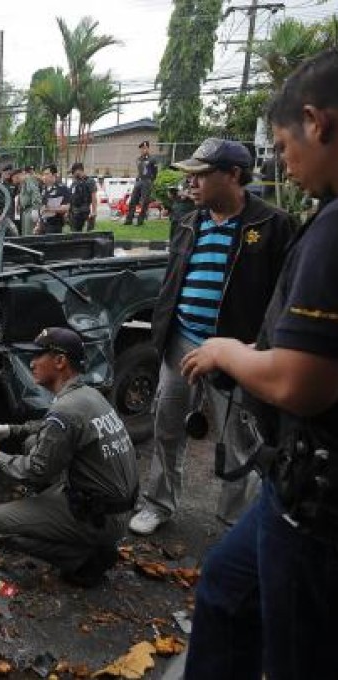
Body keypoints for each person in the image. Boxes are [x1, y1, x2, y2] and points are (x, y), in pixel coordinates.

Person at [178, 49, 338, 680]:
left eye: (283, 145)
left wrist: (228, 351)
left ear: (316, 122)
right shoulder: (196, 224)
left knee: (296, 652)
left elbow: (301, 383)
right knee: (225, 590)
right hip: (296, 484)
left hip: (315, 497)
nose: (284, 162)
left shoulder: (318, 229)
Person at [128, 137, 296, 536]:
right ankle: (158, 503)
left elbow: (285, 296)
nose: (192, 182)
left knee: (238, 440)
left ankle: (235, 524)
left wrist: (259, 349)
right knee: (167, 426)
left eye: (201, 175)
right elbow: (172, 282)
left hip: (237, 351)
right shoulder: (188, 222)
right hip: (181, 342)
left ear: (233, 175)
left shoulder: (272, 225)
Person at [0, 327, 138, 587]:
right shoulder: (88, 394)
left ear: (60, 361)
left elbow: (36, 470)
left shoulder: (66, 409)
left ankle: (85, 558)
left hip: (100, 516)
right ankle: (72, 528)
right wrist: (10, 430)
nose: (31, 363)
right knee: (32, 442)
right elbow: (52, 429)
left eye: (38, 356)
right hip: (114, 505)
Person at [123, 141, 158, 226]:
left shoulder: (152, 159)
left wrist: (151, 181)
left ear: (148, 148)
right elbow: (140, 170)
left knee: (144, 201)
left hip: (147, 181)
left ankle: (140, 220)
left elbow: (155, 172)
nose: (143, 150)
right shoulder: (138, 159)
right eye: (141, 148)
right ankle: (129, 220)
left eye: (144, 148)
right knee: (133, 200)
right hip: (139, 180)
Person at [37, 165, 71, 234]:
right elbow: (42, 208)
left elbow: (66, 208)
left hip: (54, 225)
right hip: (43, 224)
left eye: (47, 174)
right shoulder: (44, 189)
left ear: (54, 175)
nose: (44, 177)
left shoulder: (62, 189)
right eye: (43, 175)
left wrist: (50, 209)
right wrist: (38, 225)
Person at [68, 162, 98, 233]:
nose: (73, 174)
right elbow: (71, 198)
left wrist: (94, 212)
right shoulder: (74, 183)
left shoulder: (90, 181)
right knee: (75, 233)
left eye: (73, 172)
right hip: (74, 212)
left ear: (78, 170)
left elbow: (94, 197)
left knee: (88, 233)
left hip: (85, 211)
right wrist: (68, 212)